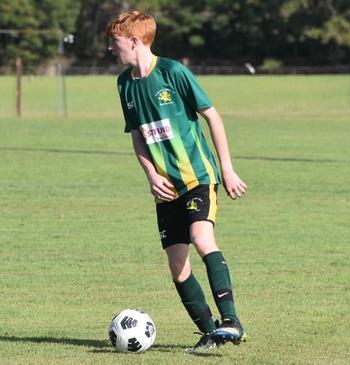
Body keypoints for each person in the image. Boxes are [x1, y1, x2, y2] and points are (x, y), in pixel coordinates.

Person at [106, 10, 249, 353]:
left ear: (134, 41)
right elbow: (138, 136)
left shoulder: (173, 72)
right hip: (165, 188)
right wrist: (152, 175)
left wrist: (226, 169)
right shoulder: (124, 84)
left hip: (198, 177)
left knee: (202, 238)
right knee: (177, 266)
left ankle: (231, 320)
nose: (112, 51)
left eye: (115, 44)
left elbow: (212, 116)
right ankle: (211, 333)